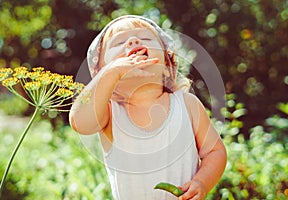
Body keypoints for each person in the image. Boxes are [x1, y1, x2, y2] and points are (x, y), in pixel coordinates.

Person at [69, 15, 227, 200]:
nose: (133, 41)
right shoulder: (111, 113)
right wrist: (112, 73)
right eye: (119, 42)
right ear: (101, 72)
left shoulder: (187, 104)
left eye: (145, 38)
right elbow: (80, 122)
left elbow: (215, 152)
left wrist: (201, 182)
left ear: (167, 64)